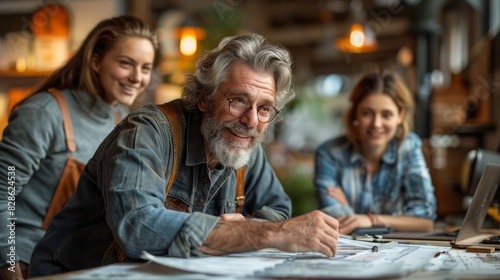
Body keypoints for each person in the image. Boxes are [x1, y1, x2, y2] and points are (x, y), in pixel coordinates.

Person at [28, 33, 339, 277]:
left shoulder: (243, 148)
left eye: (264, 108)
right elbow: (136, 226)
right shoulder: (147, 131)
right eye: (239, 101)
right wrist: (250, 232)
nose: (251, 120)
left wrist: (247, 227)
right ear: (204, 98)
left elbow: (278, 208)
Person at [0, 15, 157, 279]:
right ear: (96, 61)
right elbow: (5, 191)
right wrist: (8, 264)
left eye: (145, 67)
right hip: (31, 264)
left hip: (81, 265)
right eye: (125, 63)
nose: (137, 77)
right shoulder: (43, 113)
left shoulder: (122, 117)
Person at [314, 70, 437, 235]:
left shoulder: (408, 147)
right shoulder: (329, 153)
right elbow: (337, 223)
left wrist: (367, 218)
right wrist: (401, 221)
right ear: (355, 113)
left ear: (400, 116)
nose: (376, 124)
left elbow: (425, 222)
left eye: (386, 114)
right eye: (367, 113)